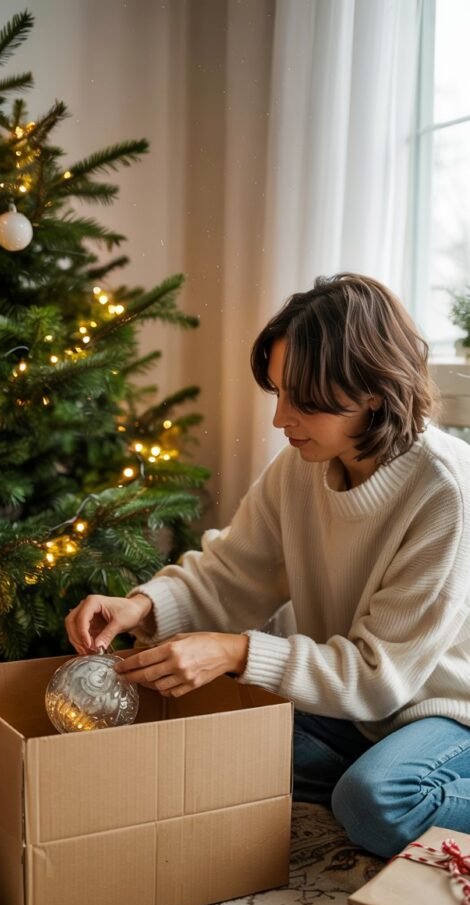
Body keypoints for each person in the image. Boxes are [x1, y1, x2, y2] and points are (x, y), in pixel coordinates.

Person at [65, 272, 470, 859]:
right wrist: (141, 606)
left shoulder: (446, 491)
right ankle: (366, 775)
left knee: (373, 802)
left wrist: (236, 652)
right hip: (358, 713)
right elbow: (233, 570)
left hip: (441, 710)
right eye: (277, 392)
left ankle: (381, 781)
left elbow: (380, 679)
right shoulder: (301, 465)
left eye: (303, 400)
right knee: (223, 751)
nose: (281, 419)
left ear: (374, 390)